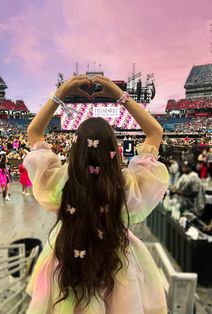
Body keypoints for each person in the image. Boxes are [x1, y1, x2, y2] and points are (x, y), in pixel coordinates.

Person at [24, 75, 169, 313]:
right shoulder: (127, 187)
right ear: (114, 148)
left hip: (67, 257)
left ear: (77, 149)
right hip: (118, 264)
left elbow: (34, 132)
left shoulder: (60, 183)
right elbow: (155, 131)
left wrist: (61, 92)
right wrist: (118, 94)